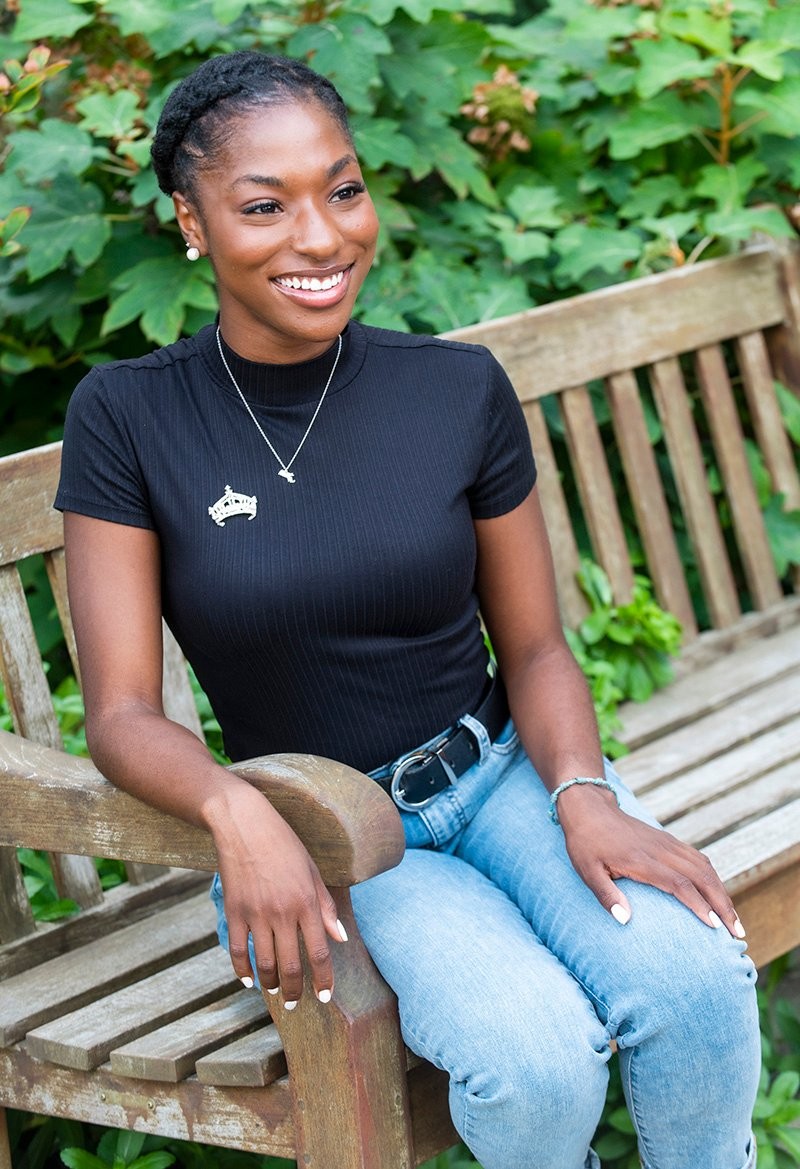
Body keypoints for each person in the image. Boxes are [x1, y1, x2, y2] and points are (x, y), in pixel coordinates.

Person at [55, 50, 760, 1169]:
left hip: (499, 777)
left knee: (698, 981)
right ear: (190, 221)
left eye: (341, 189)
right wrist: (241, 815)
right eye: (263, 205)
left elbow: (532, 644)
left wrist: (583, 793)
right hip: (334, 830)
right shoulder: (131, 417)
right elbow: (125, 713)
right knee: (531, 1059)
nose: (322, 236)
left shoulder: (453, 391)